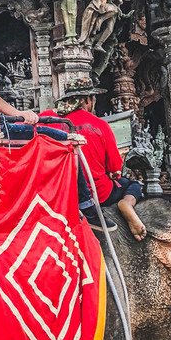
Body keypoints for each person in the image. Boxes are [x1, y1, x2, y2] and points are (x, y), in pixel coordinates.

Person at [41, 78, 147, 241]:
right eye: (93, 99)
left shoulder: (47, 119)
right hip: (98, 193)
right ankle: (126, 203)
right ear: (86, 100)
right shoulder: (100, 125)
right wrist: (113, 174)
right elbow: (114, 168)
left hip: (56, 190)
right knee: (133, 185)